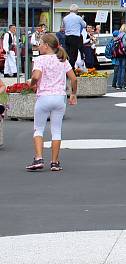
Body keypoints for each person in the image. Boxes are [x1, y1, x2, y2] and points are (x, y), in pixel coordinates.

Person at [25, 33, 77, 172]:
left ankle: (38, 158)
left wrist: (32, 83)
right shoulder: (62, 59)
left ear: (46, 46)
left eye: (40, 43)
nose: (38, 46)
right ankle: (54, 162)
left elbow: (36, 76)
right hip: (59, 97)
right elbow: (73, 78)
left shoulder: (40, 60)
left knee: (38, 129)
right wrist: (73, 93)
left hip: (44, 97)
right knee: (56, 131)